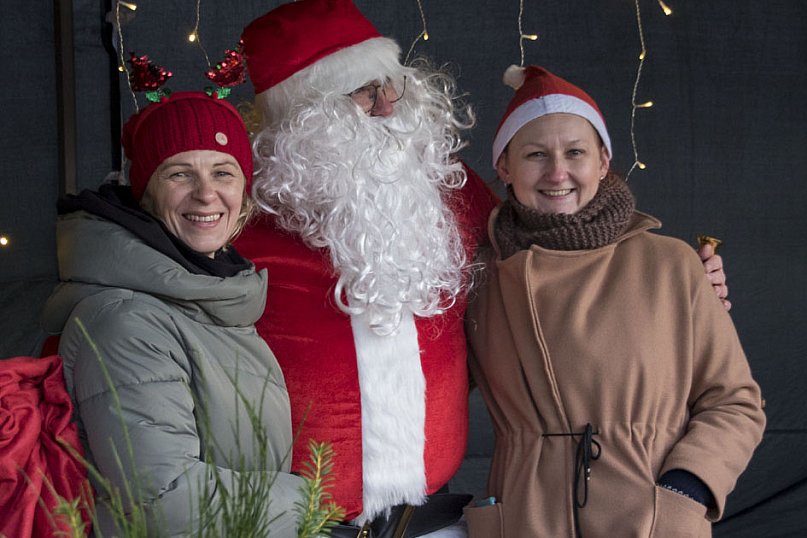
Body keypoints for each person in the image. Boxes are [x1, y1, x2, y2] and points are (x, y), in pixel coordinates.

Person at [235, 0, 731, 534]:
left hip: (428, 517)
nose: (385, 108)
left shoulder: (445, 192)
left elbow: (557, 251)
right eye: (361, 92)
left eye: (390, 85)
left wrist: (679, 288)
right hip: (287, 516)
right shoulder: (240, 217)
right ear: (308, 115)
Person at [462, 65, 765, 537]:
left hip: (651, 519)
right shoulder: (480, 279)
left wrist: (685, 491)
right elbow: (427, 391)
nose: (557, 172)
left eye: (576, 152)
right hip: (526, 518)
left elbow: (734, 402)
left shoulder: (670, 264)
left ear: (603, 161)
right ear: (504, 167)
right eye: (536, 154)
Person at [42, 92, 302, 537]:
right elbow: (164, 501)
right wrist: (307, 505)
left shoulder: (209, 298)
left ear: (243, 190)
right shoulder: (126, 322)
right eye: (180, 173)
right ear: (144, 190)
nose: (206, 193)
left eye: (223, 172)